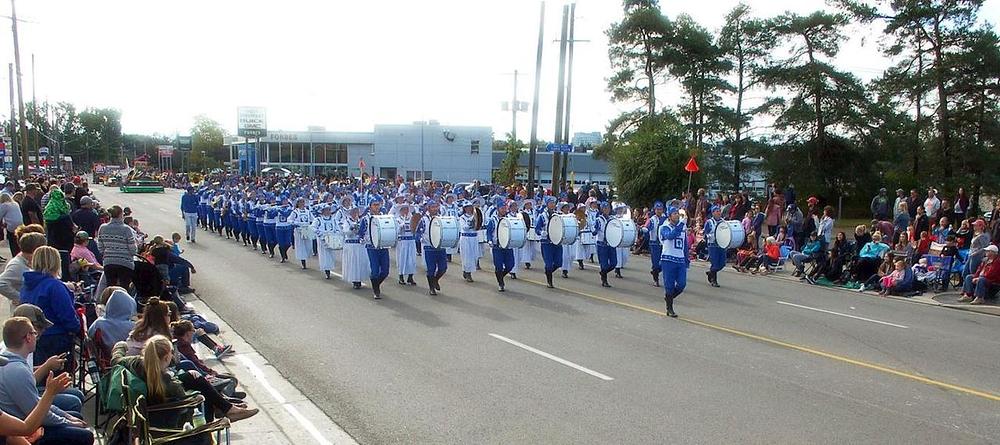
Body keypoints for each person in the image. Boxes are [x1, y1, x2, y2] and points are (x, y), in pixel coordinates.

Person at [111, 335, 258, 423]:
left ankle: (226, 407)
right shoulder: (167, 381)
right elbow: (182, 395)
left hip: (152, 403)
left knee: (193, 377)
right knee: (203, 396)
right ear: (167, 357)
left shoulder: (135, 362)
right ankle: (223, 410)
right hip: (167, 414)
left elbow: (116, 359)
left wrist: (121, 346)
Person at [0, 317, 93, 445]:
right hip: (25, 429)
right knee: (85, 435)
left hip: (22, 426)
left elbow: (36, 403)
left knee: (75, 415)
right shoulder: (17, 370)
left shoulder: (12, 361)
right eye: (34, 332)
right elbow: (32, 421)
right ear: (28, 337)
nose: (38, 336)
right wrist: (51, 394)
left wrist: (68, 418)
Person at [19, 246, 79, 370]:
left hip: (31, 338)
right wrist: (77, 328)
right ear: (56, 263)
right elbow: (67, 316)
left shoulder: (26, 285)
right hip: (55, 338)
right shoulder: (54, 286)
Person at [0, 232, 46, 309]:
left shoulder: (29, 261)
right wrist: (21, 297)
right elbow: (1, 283)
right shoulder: (16, 265)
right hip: (24, 311)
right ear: (36, 249)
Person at [97, 205, 137, 289]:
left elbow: (100, 246)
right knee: (124, 287)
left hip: (109, 262)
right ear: (121, 215)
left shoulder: (103, 228)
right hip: (125, 262)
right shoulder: (126, 229)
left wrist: (106, 253)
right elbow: (133, 250)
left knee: (110, 287)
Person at [659, 206, 688, 318]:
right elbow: (670, 236)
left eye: (677, 213)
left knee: (682, 284)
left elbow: (685, 244)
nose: (677, 215)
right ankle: (669, 308)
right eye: (674, 213)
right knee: (669, 285)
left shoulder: (682, 228)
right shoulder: (664, 227)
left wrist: (687, 258)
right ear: (669, 216)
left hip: (680, 260)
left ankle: (669, 298)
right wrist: (680, 225)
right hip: (668, 259)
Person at [360, 198, 390, 299]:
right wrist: (363, 239)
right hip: (371, 247)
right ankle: (376, 290)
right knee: (375, 270)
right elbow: (361, 233)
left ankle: (376, 284)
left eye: (378, 205)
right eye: (374, 205)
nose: (377, 207)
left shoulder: (384, 217)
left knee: (385, 271)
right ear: (370, 207)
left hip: (383, 246)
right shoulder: (365, 219)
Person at [418, 200, 449, 295]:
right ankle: (431, 287)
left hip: (440, 246)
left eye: (436, 207)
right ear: (428, 208)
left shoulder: (441, 218)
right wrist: (422, 239)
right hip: (429, 247)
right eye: (433, 207)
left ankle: (435, 280)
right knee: (431, 269)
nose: (435, 209)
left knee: (443, 268)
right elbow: (418, 232)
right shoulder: (423, 219)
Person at [485, 202, 515, 292]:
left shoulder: (509, 219)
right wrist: (489, 240)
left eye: (505, 208)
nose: (504, 210)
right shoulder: (492, 220)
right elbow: (489, 232)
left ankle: (500, 276)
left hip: (507, 246)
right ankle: (501, 283)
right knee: (498, 266)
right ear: (498, 209)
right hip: (497, 246)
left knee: (510, 265)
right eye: (502, 208)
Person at [535, 197, 562, 288]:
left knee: (559, 263)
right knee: (549, 263)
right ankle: (549, 281)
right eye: (550, 203)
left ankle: (548, 271)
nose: (552, 205)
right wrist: (541, 232)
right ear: (547, 204)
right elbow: (537, 229)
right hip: (546, 243)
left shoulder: (558, 214)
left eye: (553, 203)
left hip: (557, 242)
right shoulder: (542, 216)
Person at [340, 206, 369, 290]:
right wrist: (351, 229)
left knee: (360, 262)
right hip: (351, 245)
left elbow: (365, 231)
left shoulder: (361, 221)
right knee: (353, 262)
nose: (355, 213)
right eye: (353, 212)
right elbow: (345, 232)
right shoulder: (347, 221)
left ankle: (359, 278)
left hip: (359, 245)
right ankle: (354, 280)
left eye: (356, 212)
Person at [643, 202, 668, 287]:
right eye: (657, 209)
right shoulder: (652, 219)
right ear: (655, 210)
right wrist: (645, 229)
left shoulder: (666, 218)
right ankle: (656, 279)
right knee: (656, 262)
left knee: (664, 262)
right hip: (654, 243)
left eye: (660, 209)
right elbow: (647, 226)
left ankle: (655, 271)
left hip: (664, 243)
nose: (659, 211)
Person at [393, 202, 418, 286]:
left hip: (411, 241)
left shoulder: (412, 219)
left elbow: (416, 229)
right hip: (402, 242)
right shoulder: (397, 219)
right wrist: (401, 226)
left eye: (407, 209)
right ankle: (401, 276)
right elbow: (396, 231)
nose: (406, 211)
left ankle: (410, 277)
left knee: (412, 259)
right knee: (402, 259)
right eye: (404, 209)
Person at [593, 202, 617, 288]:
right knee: (604, 264)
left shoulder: (612, 219)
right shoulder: (598, 219)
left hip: (611, 243)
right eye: (605, 208)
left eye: (608, 208)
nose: (607, 210)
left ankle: (603, 272)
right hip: (602, 244)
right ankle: (604, 280)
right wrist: (595, 230)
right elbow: (594, 231)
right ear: (602, 209)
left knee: (614, 263)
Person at [312, 205, 338, 278]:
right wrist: (320, 234)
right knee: (325, 255)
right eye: (326, 210)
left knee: (331, 255)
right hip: (323, 240)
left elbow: (337, 228)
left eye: (329, 210)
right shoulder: (318, 219)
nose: (328, 211)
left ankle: (329, 268)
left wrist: (336, 234)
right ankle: (327, 271)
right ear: (322, 211)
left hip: (332, 239)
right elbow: (313, 227)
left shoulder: (333, 219)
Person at [703, 205, 726, 288]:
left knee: (722, 263)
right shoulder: (709, 222)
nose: (719, 213)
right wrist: (710, 236)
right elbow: (705, 233)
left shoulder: (723, 221)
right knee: (715, 263)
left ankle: (711, 272)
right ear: (713, 213)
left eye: (719, 211)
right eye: (717, 211)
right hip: (712, 245)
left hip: (721, 244)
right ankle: (714, 280)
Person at [457, 200, 479, 283]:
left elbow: (479, 225)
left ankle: (467, 270)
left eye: (470, 207)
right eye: (467, 207)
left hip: (474, 238)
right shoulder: (462, 217)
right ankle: (467, 272)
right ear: (464, 209)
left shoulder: (476, 216)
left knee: (474, 256)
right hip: (466, 238)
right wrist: (471, 223)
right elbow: (464, 227)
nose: (469, 209)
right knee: (467, 256)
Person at [291, 197, 315, 270]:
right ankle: (303, 262)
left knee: (309, 246)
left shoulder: (308, 211)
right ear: (298, 203)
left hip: (307, 230)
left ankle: (306, 257)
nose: (302, 203)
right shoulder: (295, 212)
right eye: (300, 202)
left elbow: (313, 219)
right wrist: (295, 223)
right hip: (299, 230)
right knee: (301, 246)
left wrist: (312, 225)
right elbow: (289, 219)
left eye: (303, 202)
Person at [0, 193, 24, 258]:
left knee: (12, 241)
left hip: (12, 226)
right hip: (21, 224)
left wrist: (3, 225)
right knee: (19, 241)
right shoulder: (15, 203)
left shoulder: (4, 205)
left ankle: (14, 255)